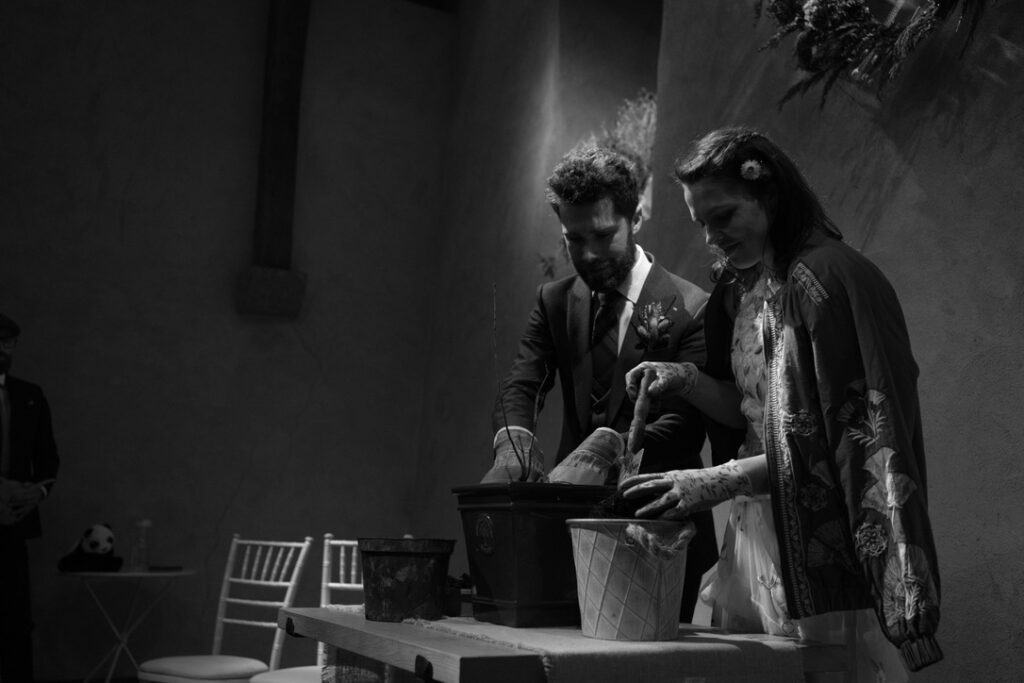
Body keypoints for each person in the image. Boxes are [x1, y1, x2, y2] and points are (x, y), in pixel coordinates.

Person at [619, 128, 941, 678]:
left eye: (723, 217)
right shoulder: (744, 288)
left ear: (767, 196)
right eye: (702, 224)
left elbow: (838, 442)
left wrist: (717, 480)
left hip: (822, 537)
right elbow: (752, 412)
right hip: (757, 531)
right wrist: (686, 379)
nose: (712, 239)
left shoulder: (825, 280)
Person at [483, 143, 717, 621]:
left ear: (636, 218)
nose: (587, 254)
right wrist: (514, 445)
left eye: (603, 235)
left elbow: (685, 426)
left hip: (661, 526)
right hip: (573, 529)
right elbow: (522, 384)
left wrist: (606, 450)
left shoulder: (692, 308)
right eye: (573, 239)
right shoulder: (553, 300)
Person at [0, 313, 59, 683]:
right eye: (0, 341)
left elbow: (48, 457)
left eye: (10, 343)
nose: (6, 350)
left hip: (14, 522)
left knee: (16, 617)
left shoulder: (29, 396)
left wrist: (36, 492)